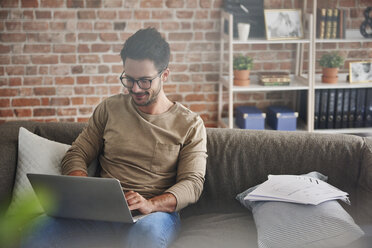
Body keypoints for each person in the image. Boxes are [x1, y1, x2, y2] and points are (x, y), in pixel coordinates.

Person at [21, 28, 207, 248]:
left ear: (164, 75)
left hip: (153, 216)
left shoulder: (190, 124)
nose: (135, 88)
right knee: (39, 230)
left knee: (145, 236)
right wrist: (81, 185)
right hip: (101, 212)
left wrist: (151, 203)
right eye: (129, 79)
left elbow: (192, 184)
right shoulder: (110, 109)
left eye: (145, 81)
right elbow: (77, 153)